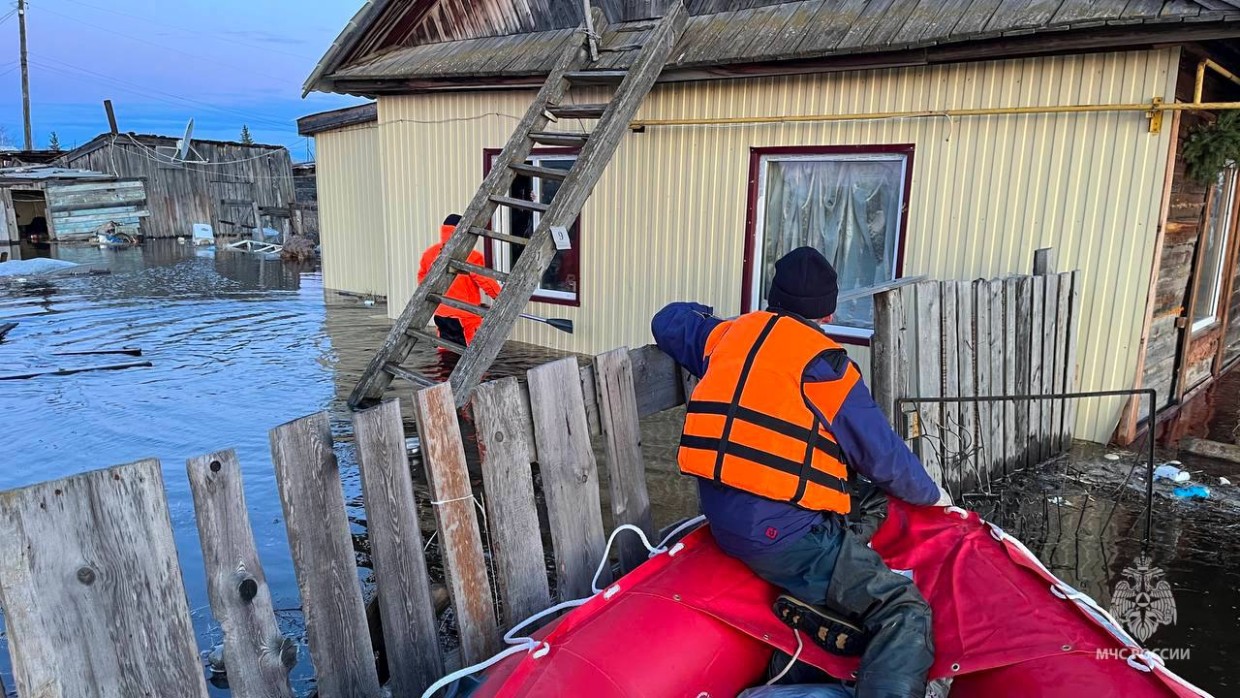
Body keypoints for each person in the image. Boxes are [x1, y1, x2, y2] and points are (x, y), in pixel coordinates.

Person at [651, 246, 951, 698]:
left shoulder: (728, 337)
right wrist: (933, 497)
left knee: (866, 498)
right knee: (905, 610)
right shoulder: (827, 367)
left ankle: (821, 595)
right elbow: (883, 458)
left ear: (773, 298)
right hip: (781, 534)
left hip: (724, 513)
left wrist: (710, 316)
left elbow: (668, 320)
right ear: (828, 314)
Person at [418, 214, 502, 347]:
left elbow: (422, 280)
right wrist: (502, 297)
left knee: (446, 352)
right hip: (465, 317)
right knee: (470, 355)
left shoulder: (430, 254)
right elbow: (485, 281)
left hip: (441, 314)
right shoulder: (471, 256)